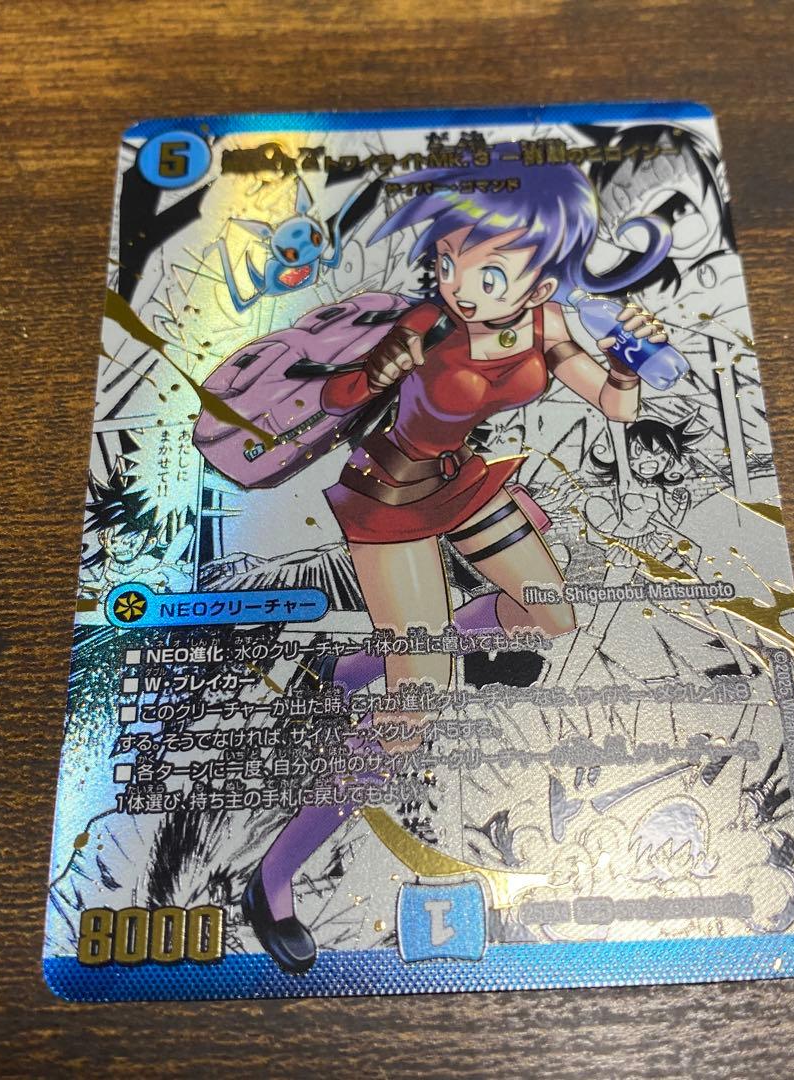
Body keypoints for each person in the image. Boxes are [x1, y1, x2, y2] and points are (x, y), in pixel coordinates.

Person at [242, 143, 674, 974]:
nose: (458, 287)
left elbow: (617, 407)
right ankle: (273, 878)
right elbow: (333, 398)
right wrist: (377, 369)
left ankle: (357, 667)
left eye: (487, 274)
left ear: (541, 284)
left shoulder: (550, 325)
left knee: (549, 616)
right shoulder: (427, 323)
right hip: (391, 495)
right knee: (415, 710)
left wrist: (626, 365)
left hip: (465, 480)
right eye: (448, 264)